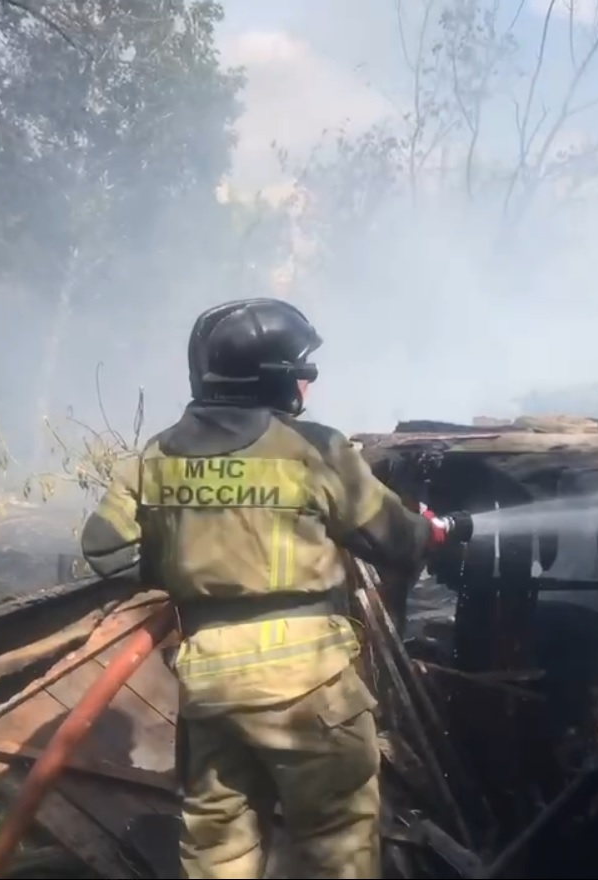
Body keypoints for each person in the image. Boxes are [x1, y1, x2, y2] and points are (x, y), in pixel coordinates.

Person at [80, 297, 466, 878]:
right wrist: (434, 531)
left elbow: (104, 549)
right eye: (300, 375)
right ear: (274, 381)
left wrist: (182, 565)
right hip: (310, 689)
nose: (307, 390)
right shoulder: (315, 450)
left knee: (217, 853)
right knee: (335, 847)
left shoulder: (156, 457)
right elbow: (396, 541)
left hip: (211, 687)